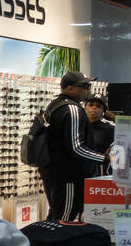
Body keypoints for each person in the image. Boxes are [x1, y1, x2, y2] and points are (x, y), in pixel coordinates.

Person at [39, 72, 107, 221]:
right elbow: (76, 147)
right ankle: (57, 244)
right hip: (67, 175)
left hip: (52, 171)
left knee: (57, 214)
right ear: (69, 89)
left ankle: (48, 243)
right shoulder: (73, 109)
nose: (88, 90)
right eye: (84, 86)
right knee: (64, 218)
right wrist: (105, 158)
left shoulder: (54, 104)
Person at [84, 95, 116, 176]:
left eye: (98, 106)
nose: (94, 108)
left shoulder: (111, 128)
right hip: (80, 170)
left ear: (103, 110)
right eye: (91, 105)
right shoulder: (78, 125)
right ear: (85, 107)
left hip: (100, 172)